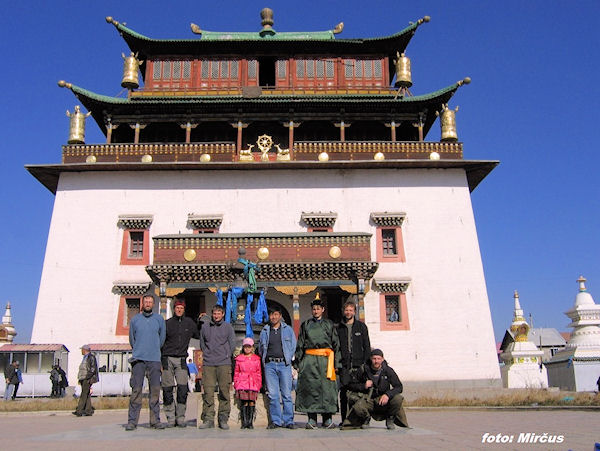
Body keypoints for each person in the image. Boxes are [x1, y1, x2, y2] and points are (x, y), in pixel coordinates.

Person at [295, 294, 341, 429]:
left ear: (323, 310)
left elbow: (336, 344)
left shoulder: (329, 324)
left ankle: (327, 419)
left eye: (318, 309)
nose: (316, 311)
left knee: (327, 390)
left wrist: (337, 363)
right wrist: (298, 362)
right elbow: (300, 344)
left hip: (327, 360)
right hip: (309, 360)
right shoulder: (306, 325)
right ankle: (311, 419)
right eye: (314, 309)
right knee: (310, 389)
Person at [340, 349, 409, 430]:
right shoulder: (363, 369)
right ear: (370, 359)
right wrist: (363, 386)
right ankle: (365, 418)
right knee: (358, 406)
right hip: (368, 399)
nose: (376, 361)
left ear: (382, 359)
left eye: (379, 359)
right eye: (374, 359)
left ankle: (390, 418)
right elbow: (350, 384)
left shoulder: (388, 370)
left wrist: (387, 395)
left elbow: (399, 387)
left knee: (398, 398)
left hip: (383, 400)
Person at [126, 294, 166, 431]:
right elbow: (132, 339)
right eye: (146, 302)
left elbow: (162, 339)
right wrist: (139, 349)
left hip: (154, 359)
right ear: (142, 304)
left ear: (153, 304)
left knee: (155, 391)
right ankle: (132, 421)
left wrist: (153, 349)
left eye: (150, 302)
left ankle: (155, 421)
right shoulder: (135, 320)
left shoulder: (159, 319)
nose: (148, 304)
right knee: (136, 390)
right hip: (138, 359)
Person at [161, 299, 200, 427]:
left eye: (181, 308)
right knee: (167, 389)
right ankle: (170, 417)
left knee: (183, 389)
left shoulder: (189, 323)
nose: (179, 310)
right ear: (174, 309)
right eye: (177, 307)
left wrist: (203, 321)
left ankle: (180, 417)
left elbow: (199, 334)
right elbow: (159, 341)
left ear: (184, 310)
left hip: (182, 359)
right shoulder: (167, 324)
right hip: (167, 358)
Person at [258, 305, 297, 429]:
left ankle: (288, 420)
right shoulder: (265, 330)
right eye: (271, 315)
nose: (273, 317)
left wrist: (288, 357)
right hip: (270, 365)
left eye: (276, 314)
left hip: (284, 364)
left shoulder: (287, 329)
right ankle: (276, 420)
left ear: (280, 316)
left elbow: (293, 345)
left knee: (286, 394)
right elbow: (260, 348)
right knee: (273, 395)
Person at [198, 304, 235, 429]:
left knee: (224, 391)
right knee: (208, 391)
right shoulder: (205, 327)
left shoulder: (228, 327)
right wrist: (208, 354)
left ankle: (223, 418)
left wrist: (226, 355)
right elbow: (202, 343)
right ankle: (208, 418)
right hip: (209, 363)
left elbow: (232, 344)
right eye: (214, 313)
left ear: (223, 314)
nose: (216, 316)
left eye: (219, 313)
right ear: (212, 314)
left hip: (223, 363)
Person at [337, 301, 371, 423]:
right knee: (344, 393)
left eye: (351, 310)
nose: (348, 312)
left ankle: (359, 418)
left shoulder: (361, 327)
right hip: (344, 365)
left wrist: (366, 365)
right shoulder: (339, 327)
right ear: (343, 311)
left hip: (358, 365)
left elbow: (367, 346)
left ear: (354, 312)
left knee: (358, 393)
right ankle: (344, 419)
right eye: (346, 310)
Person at [233, 337, 262, 429]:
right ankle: (244, 421)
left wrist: (259, 383)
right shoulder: (239, 359)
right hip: (243, 383)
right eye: (245, 347)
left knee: (251, 402)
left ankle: (250, 422)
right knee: (244, 402)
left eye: (249, 347)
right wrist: (236, 383)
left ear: (252, 347)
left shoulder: (256, 359)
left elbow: (258, 372)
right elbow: (236, 372)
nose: (247, 349)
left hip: (253, 383)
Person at [73, 345, 99, 417]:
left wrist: (88, 378)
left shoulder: (91, 357)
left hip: (87, 378)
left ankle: (79, 410)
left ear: (85, 350)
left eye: (82, 350)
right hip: (83, 378)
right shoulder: (85, 357)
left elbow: (93, 369)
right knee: (86, 394)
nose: (81, 351)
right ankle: (88, 410)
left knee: (83, 394)